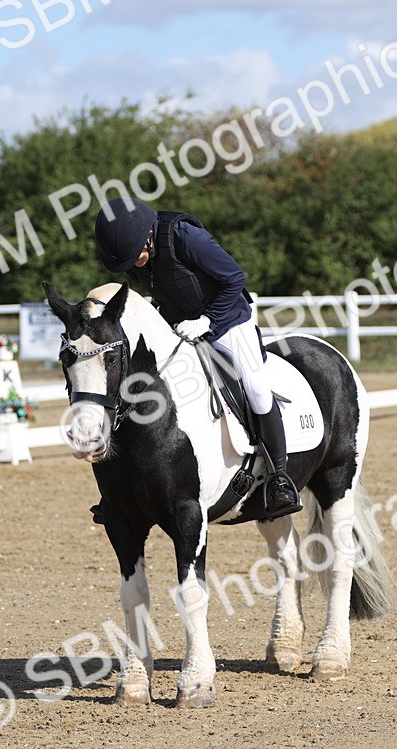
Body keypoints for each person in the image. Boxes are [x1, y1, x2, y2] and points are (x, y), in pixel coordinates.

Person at [93, 196, 301, 519]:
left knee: (256, 387)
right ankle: (125, 491)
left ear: (147, 234)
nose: (136, 265)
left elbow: (235, 278)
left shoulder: (184, 237)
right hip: (181, 326)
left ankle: (279, 478)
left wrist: (208, 320)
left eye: (136, 256)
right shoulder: (136, 254)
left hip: (229, 321)